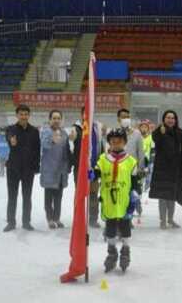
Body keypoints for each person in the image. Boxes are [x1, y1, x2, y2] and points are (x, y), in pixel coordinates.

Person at [94, 128, 139, 273]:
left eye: (119, 141)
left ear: (124, 142)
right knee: (110, 226)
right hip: (109, 200)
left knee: (125, 226)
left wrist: (134, 196)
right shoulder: (103, 159)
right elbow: (95, 175)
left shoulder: (131, 161)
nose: (116, 144)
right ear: (109, 143)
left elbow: (134, 182)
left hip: (124, 200)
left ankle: (125, 249)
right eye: (113, 142)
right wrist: (89, 173)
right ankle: (111, 250)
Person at [149, 111, 182, 229]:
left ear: (176, 120)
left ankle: (170, 219)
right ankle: (162, 220)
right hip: (162, 169)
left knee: (172, 196)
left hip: (176, 169)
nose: (170, 120)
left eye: (172, 118)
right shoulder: (159, 132)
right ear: (164, 119)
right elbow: (156, 139)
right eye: (168, 117)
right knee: (162, 196)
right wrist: (160, 133)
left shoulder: (181, 133)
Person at [4, 104, 41, 232]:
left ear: (29, 115)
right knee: (12, 196)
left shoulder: (35, 131)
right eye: (21, 114)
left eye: (26, 114)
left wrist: (36, 167)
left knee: (27, 196)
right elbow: (9, 137)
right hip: (13, 169)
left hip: (28, 170)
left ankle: (26, 222)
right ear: (17, 115)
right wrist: (11, 141)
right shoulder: (11, 129)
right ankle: (11, 222)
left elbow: (37, 150)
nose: (24, 116)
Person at [71, 107, 104, 228]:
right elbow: (71, 142)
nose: (88, 115)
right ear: (81, 114)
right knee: (80, 194)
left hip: (93, 169)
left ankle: (93, 219)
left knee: (93, 193)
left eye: (90, 113)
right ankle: (78, 219)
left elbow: (101, 146)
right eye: (85, 113)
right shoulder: (76, 128)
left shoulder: (97, 128)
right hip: (80, 169)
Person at [39, 110, 72, 229]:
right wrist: (52, 140)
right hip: (49, 168)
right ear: (49, 119)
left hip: (61, 169)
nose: (56, 120)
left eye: (58, 118)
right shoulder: (45, 132)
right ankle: (50, 219)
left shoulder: (64, 133)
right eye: (54, 118)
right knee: (49, 196)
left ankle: (57, 218)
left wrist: (68, 165)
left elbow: (67, 150)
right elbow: (44, 145)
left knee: (59, 196)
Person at [117, 108, 145, 217]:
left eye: (127, 117)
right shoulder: (115, 132)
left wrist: (141, 168)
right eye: (123, 117)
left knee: (131, 193)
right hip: (118, 169)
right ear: (118, 119)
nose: (125, 119)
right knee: (121, 194)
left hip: (133, 169)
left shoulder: (136, 133)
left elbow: (141, 152)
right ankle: (121, 215)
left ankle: (129, 216)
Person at [139, 119, 154, 194]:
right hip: (139, 161)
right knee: (140, 179)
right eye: (142, 127)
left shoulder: (151, 138)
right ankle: (140, 191)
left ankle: (146, 191)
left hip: (148, 161)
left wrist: (151, 161)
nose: (144, 128)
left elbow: (153, 150)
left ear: (148, 128)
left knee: (148, 178)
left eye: (145, 127)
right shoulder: (138, 137)